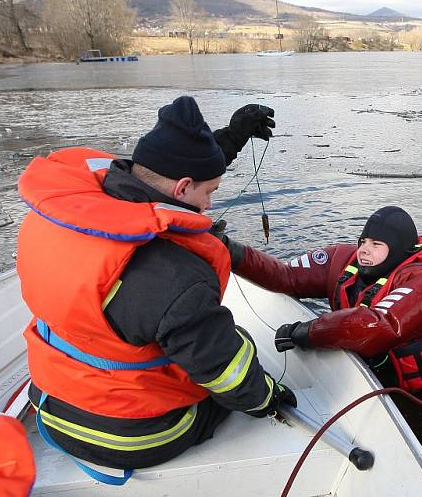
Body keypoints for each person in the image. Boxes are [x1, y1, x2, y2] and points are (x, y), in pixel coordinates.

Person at [16, 96, 296, 480]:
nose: (211, 203)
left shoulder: (67, 213)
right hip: (128, 435)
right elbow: (225, 374)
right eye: (210, 192)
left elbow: (166, 176)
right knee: (236, 348)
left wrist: (230, 139)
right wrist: (266, 397)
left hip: (50, 400)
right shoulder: (176, 278)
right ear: (184, 187)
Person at [223, 205, 422, 397]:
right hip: (378, 378)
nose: (364, 250)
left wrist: (306, 332)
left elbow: (378, 326)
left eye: (376, 244)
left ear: (399, 249)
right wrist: (227, 250)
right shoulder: (343, 260)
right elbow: (285, 276)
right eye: (363, 241)